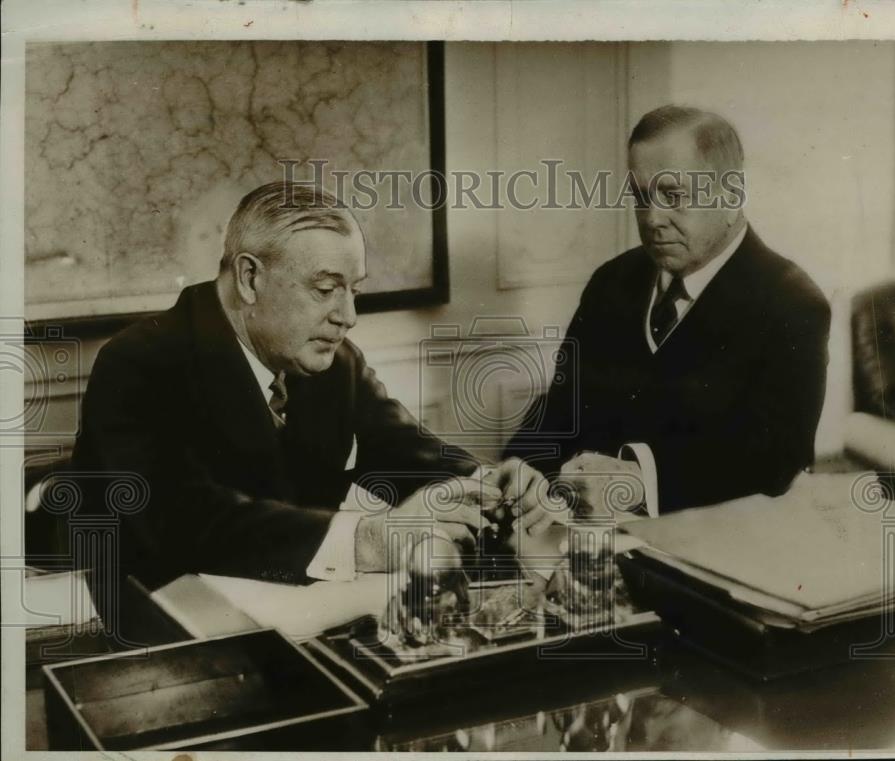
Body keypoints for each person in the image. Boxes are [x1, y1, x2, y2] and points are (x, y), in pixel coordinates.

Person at [72, 181, 554, 594]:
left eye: (354, 291)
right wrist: (372, 540)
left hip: (299, 614)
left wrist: (487, 487)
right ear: (249, 278)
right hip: (165, 634)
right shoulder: (138, 363)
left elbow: (406, 451)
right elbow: (183, 521)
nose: (348, 316)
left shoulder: (334, 360)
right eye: (325, 290)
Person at [505, 105, 832, 517]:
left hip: (719, 546)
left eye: (673, 196)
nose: (652, 219)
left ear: (731, 196)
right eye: (641, 197)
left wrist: (640, 481)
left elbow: (776, 461)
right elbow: (561, 408)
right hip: (592, 538)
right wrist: (518, 467)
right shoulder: (612, 282)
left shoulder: (792, 303)